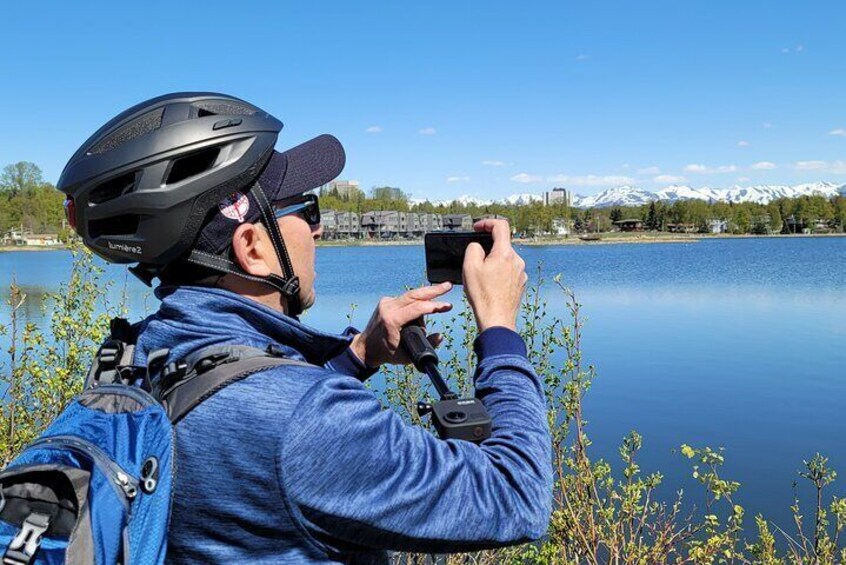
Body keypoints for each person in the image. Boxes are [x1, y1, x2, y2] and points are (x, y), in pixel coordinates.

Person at [58, 92, 552, 564]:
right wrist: (500, 327)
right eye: (306, 209)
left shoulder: (133, 357)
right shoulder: (308, 419)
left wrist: (359, 353)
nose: (317, 229)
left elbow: (249, 417)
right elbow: (515, 496)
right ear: (252, 247)